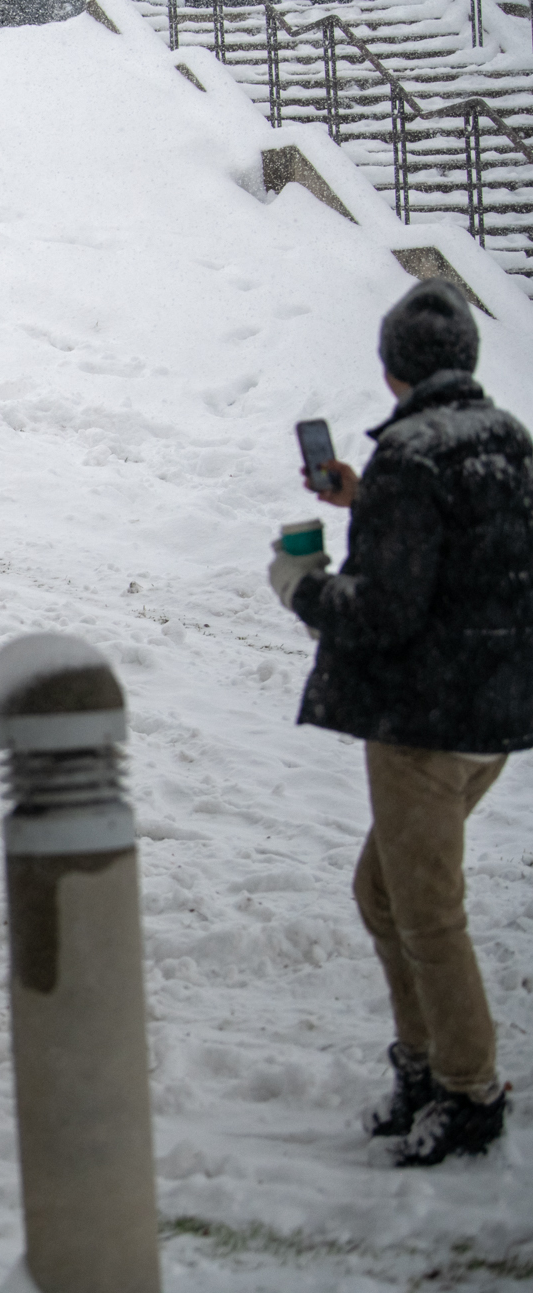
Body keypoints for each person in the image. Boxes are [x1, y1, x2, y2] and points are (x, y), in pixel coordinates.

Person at [268, 278, 532, 1167]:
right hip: (493, 720)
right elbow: (470, 548)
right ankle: (425, 1065)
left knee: (425, 913)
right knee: (384, 895)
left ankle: (468, 1090)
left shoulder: (412, 455)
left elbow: (385, 610)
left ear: (392, 372)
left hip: (425, 724)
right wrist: (364, 499)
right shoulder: (507, 439)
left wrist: (301, 587)